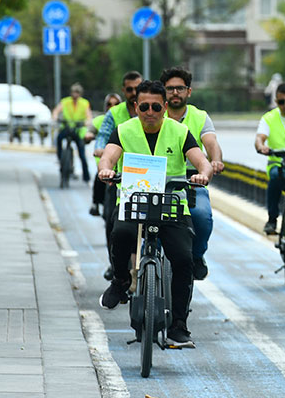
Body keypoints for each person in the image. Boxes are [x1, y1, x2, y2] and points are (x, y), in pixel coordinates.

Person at [97, 80, 213, 348]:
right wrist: (105, 169)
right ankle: (120, 281)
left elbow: (201, 161)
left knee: (183, 259)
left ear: (164, 108)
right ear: (136, 107)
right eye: (144, 106)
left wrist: (203, 175)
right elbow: (109, 156)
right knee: (120, 233)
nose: (150, 112)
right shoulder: (124, 130)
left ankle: (179, 325)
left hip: (171, 204)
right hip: (134, 202)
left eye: (156, 107)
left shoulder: (180, 131)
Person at [160, 67, 225, 281]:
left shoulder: (200, 117)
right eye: (170, 89)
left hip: (191, 179)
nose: (175, 93)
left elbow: (211, 142)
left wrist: (214, 161)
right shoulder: (154, 114)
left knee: (201, 217)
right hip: (156, 178)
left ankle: (197, 256)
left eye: (180, 88)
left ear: (189, 91)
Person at [94, 71, 143, 281]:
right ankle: (117, 267)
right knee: (113, 222)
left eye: (137, 89)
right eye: (129, 89)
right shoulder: (114, 115)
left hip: (154, 179)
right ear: (124, 91)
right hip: (121, 178)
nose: (133, 93)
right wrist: (101, 154)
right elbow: (103, 137)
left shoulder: (154, 112)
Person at [255, 83, 285, 234]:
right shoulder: (269, 118)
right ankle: (272, 219)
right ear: (276, 101)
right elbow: (260, 137)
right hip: (278, 165)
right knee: (275, 178)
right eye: (281, 102)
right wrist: (261, 147)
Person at [88, 93, 121, 216]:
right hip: (105, 161)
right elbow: (91, 130)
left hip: (122, 162)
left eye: (116, 104)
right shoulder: (100, 120)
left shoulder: (126, 120)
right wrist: (88, 136)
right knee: (99, 178)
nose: (112, 107)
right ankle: (95, 204)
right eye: (109, 104)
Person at [52, 83, 93, 183]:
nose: (75, 96)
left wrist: (87, 122)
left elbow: (89, 116)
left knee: (81, 153)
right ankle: (60, 157)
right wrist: (55, 117)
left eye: (77, 94)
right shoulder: (65, 101)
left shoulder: (84, 103)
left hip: (77, 129)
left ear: (80, 94)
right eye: (73, 93)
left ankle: (86, 176)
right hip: (66, 127)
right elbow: (56, 111)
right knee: (59, 138)